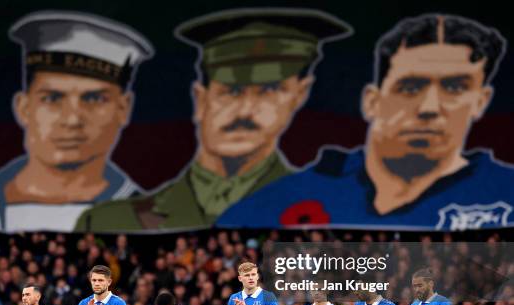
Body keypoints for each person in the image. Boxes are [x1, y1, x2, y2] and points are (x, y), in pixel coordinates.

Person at [218, 14, 514, 231]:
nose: (429, 108)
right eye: (410, 88)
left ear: (480, 101)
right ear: (372, 101)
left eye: (454, 88)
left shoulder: (505, 195)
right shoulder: (274, 205)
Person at [75, 7, 352, 231]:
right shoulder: (109, 221)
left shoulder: (322, 213)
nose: (245, 111)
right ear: (201, 98)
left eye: (269, 92)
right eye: (230, 91)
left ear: (298, 96)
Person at [0, 10, 153, 232]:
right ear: (23, 107)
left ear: (123, 108)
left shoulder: (152, 224)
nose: (73, 119)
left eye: (95, 99)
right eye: (53, 98)